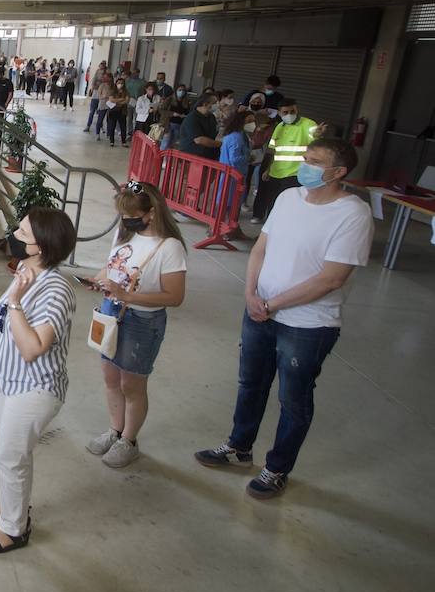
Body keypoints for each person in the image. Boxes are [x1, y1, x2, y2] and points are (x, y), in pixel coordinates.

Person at [195, 138, 372, 499]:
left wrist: (273, 303)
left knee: (293, 399)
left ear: (339, 172)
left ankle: (277, 468)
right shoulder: (288, 198)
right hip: (259, 309)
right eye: (305, 158)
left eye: (314, 161)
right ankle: (239, 447)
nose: (304, 165)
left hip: (308, 324)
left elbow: (332, 278)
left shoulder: (353, 213)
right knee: (250, 384)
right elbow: (261, 247)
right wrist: (250, 295)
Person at [0, 208, 77, 553]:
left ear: (42, 246)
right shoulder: (26, 268)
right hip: (10, 382)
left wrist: (16, 302)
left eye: (23, 234)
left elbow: (33, 348)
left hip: (34, 387)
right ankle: (11, 507)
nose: (14, 236)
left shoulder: (56, 290)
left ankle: (14, 529)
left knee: (9, 456)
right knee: (13, 452)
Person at [83, 183, 187, 468]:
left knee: (132, 383)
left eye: (129, 214)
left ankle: (129, 439)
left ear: (151, 213)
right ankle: (115, 430)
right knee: (110, 377)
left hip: (142, 320)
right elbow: (113, 266)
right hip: (110, 311)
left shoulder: (169, 247)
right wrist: (98, 279)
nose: (124, 219)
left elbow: (175, 296)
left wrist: (128, 295)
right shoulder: (125, 234)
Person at [251, 98, 316, 224]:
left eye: (293, 111)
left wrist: (318, 134)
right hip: (276, 173)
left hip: (295, 174)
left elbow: (316, 138)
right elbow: (272, 150)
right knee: (273, 204)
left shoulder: (309, 125)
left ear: (297, 109)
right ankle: (269, 232)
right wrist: (268, 169)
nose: (289, 115)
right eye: (285, 112)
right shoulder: (279, 127)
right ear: (279, 113)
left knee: (288, 207)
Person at [218, 110, 253, 224]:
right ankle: (227, 229)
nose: (252, 123)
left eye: (253, 121)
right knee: (230, 203)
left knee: (228, 202)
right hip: (233, 176)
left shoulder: (238, 136)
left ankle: (224, 227)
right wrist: (249, 158)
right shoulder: (237, 138)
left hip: (232, 175)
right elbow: (234, 159)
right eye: (249, 121)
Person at [176, 93, 221, 158]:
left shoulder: (211, 117)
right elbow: (199, 140)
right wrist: (220, 144)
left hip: (208, 155)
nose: (218, 105)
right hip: (192, 156)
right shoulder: (192, 118)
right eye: (215, 103)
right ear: (205, 104)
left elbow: (214, 134)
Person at [103, 79, 131, 146]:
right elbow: (111, 99)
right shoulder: (112, 91)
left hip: (122, 111)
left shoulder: (126, 92)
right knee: (112, 126)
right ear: (116, 83)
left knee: (123, 127)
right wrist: (121, 99)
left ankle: (123, 142)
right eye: (118, 83)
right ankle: (112, 141)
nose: (120, 84)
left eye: (121, 83)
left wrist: (117, 102)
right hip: (113, 111)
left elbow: (127, 100)